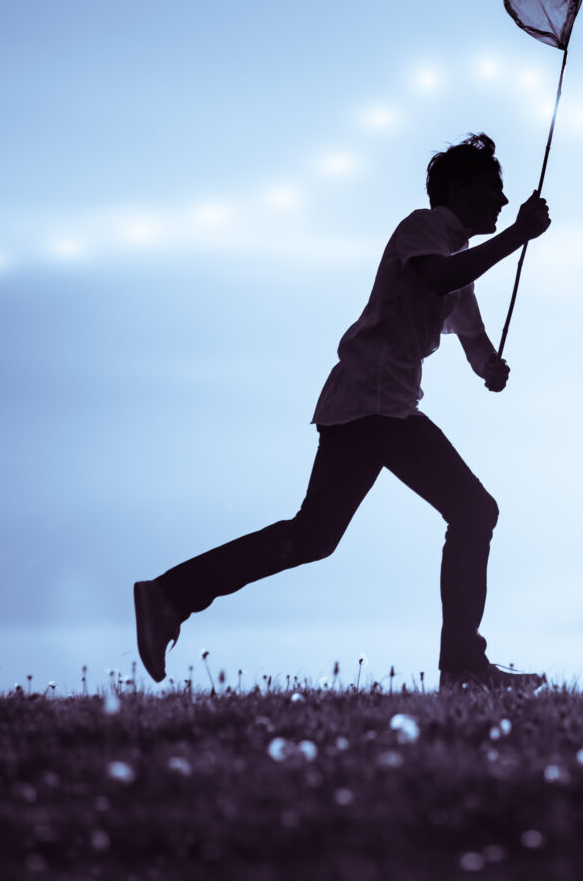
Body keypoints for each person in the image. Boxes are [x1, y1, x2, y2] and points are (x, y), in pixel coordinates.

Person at [133, 132, 551, 691]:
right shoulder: (424, 229)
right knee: (473, 511)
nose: (502, 202)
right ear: (457, 188)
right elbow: (436, 277)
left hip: (372, 408)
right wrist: (520, 236)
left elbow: (476, 349)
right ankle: (463, 667)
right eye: (493, 188)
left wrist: (493, 369)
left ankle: (171, 594)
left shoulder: (459, 267)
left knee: (314, 536)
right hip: (375, 406)